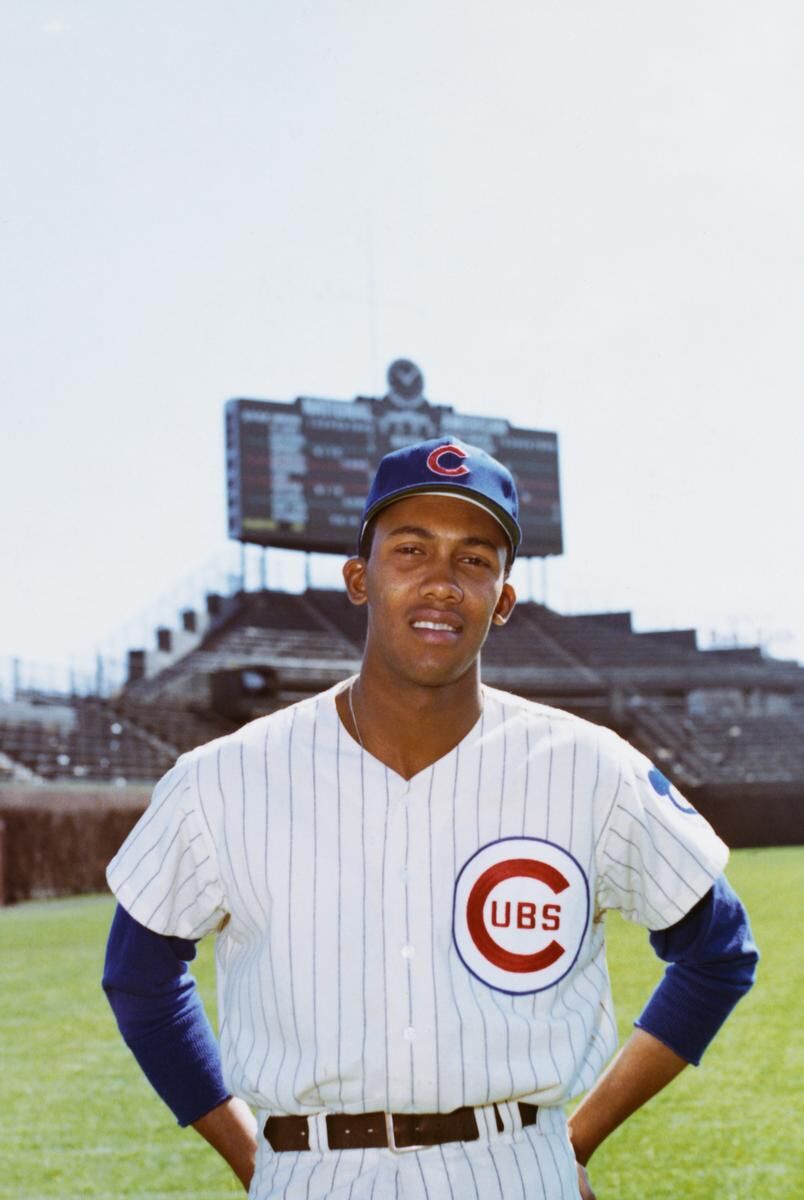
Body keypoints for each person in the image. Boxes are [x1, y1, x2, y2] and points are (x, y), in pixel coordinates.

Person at [103, 437, 758, 1199]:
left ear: (505, 598)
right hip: (313, 1174)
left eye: (475, 559)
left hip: (517, 1169)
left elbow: (719, 950)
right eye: (410, 549)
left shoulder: (589, 768)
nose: (443, 582)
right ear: (360, 577)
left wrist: (574, 1139)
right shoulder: (223, 778)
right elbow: (139, 977)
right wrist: (256, 1157)